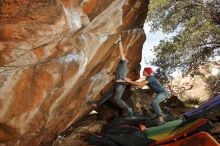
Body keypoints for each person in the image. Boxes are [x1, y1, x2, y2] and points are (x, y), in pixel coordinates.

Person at [113, 40, 133, 116]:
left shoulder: (124, 63)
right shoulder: (122, 66)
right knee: (111, 95)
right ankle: (96, 102)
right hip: (119, 83)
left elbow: (121, 53)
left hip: (120, 83)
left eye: (125, 58)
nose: (124, 58)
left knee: (117, 99)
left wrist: (120, 42)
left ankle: (128, 109)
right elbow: (119, 73)